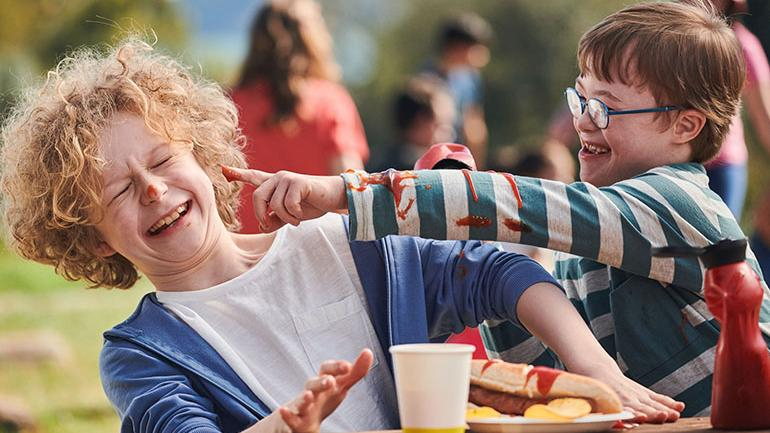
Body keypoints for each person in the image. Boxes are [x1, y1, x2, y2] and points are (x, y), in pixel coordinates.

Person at [0, 39, 605, 433]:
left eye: (161, 162)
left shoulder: (345, 241)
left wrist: (594, 369)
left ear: (203, 155)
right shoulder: (143, 354)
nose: (153, 190)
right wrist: (287, 424)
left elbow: (500, 273)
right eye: (119, 192)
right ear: (94, 239)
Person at [237, 1, 770, 418]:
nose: (584, 121)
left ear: (685, 125)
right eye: (580, 100)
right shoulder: (592, 250)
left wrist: (346, 194)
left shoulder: (679, 206)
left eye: (605, 107)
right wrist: (481, 253)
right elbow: (539, 367)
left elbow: (530, 207)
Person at [231, 0, 369, 233]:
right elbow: (356, 195)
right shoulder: (330, 101)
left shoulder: (228, 106)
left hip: (245, 255)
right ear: (313, 39)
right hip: (317, 252)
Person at [703, 0, 770, 221]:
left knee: (721, 247)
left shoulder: (743, 46)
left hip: (723, 164)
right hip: (676, 161)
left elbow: (764, 120)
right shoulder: (673, 38)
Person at [423, 12, 493, 168]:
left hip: (459, 157)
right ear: (456, 47)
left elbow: (475, 126)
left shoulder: (470, 80)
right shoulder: (426, 79)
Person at [375, 76, 456, 171]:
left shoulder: (381, 164)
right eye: (441, 124)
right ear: (420, 121)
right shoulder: (426, 172)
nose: (451, 133)